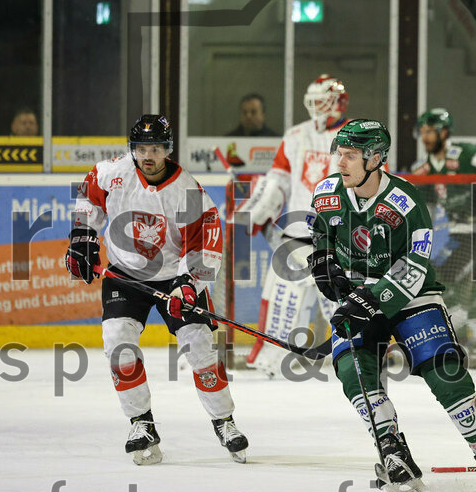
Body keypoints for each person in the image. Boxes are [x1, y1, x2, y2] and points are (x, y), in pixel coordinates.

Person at [310, 119, 476, 492]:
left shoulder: (406, 201)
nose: (340, 162)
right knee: (353, 370)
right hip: (358, 294)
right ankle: (393, 451)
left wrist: (372, 299)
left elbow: (415, 265)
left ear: (375, 159)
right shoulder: (326, 192)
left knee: (443, 369)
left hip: (412, 294)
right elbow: (322, 235)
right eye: (339, 154)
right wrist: (323, 262)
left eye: (350, 155)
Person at [66, 113, 249, 465]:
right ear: (132, 149)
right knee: (117, 341)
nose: (147, 156)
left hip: (175, 277)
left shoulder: (188, 190)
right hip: (124, 275)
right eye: (141, 149)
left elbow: (205, 243)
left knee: (199, 345)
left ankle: (224, 421)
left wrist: (188, 284)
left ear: (168, 150)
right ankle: (141, 423)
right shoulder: (111, 173)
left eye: (155, 149)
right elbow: (89, 197)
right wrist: (82, 236)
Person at [239, 74, 350, 377]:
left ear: (338, 101)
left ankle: (357, 354)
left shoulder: (354, 136)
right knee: (281, 297)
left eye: (322, 101)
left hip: (339, 237)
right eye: (313, 101)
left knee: (342, 301)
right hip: (298, 232)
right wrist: (260, 209)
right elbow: (279, 178)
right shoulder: (295, 135)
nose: (315, 106)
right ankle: (274, 357)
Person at [410, 108, 476, 347]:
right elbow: (425, 210)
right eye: (422, 132)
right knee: (462, 282)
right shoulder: (424, 168)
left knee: (442, 277)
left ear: (444, 132)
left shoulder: (465, 154)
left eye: (430, 131)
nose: (425, 137)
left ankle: (456, 327)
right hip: (459, 232)